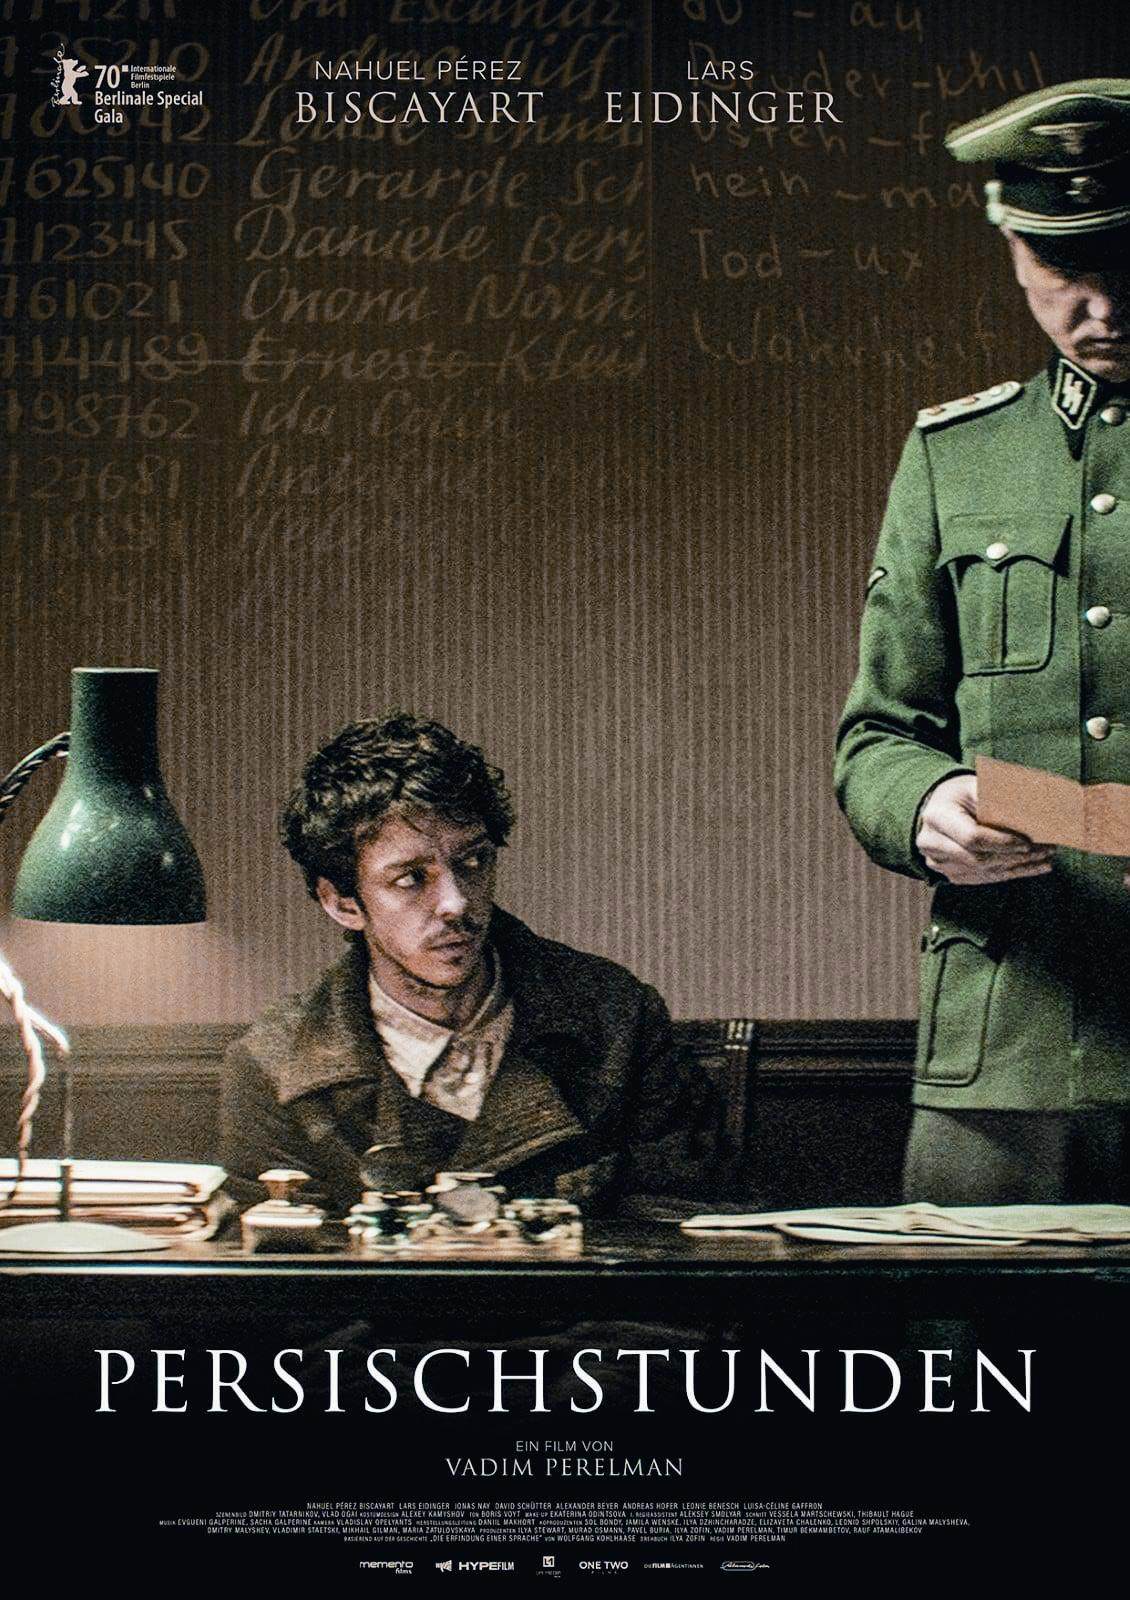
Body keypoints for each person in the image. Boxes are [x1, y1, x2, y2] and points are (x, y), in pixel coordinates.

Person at [835, 80, 1130, 1205]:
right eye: (1067, 268)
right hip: (1003, 1051)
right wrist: (926, 804)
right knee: (969, 1321)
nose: (1103, 305)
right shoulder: (954, 457)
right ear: (1013, 248)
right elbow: (876, 737)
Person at [221, 712, 731, 1217]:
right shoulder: (274, 1064)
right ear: (342, 903)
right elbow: (286, 1262)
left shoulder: (617, 1017)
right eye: (410, 878)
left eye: (472, 862)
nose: (456, 903)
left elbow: (680, 1231)